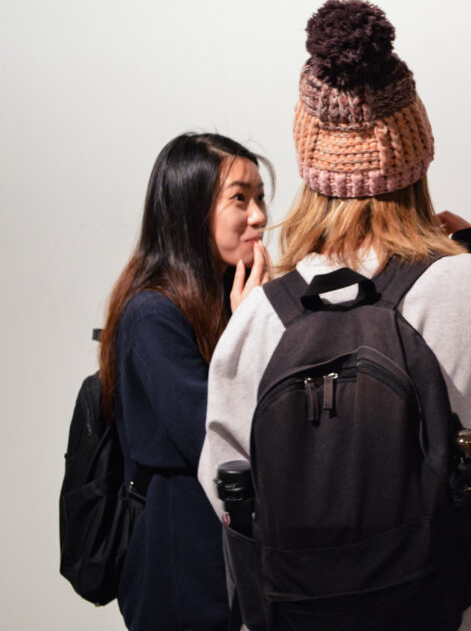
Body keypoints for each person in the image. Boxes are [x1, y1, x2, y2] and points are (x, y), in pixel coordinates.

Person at [197, 0, 471, 631]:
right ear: (417, 156)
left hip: (308, 611)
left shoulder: (260, 315)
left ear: (309, 169)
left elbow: (225, 484)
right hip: (469, 608)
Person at [98, 132, 274, 630]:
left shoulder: (234, 298)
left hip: (232, 549)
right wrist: (249, 331)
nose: (258, 215)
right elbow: (213, 436)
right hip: (181, 562)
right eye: (240, 198)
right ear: (190, 208)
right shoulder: (151, 313)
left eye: (260, 197)